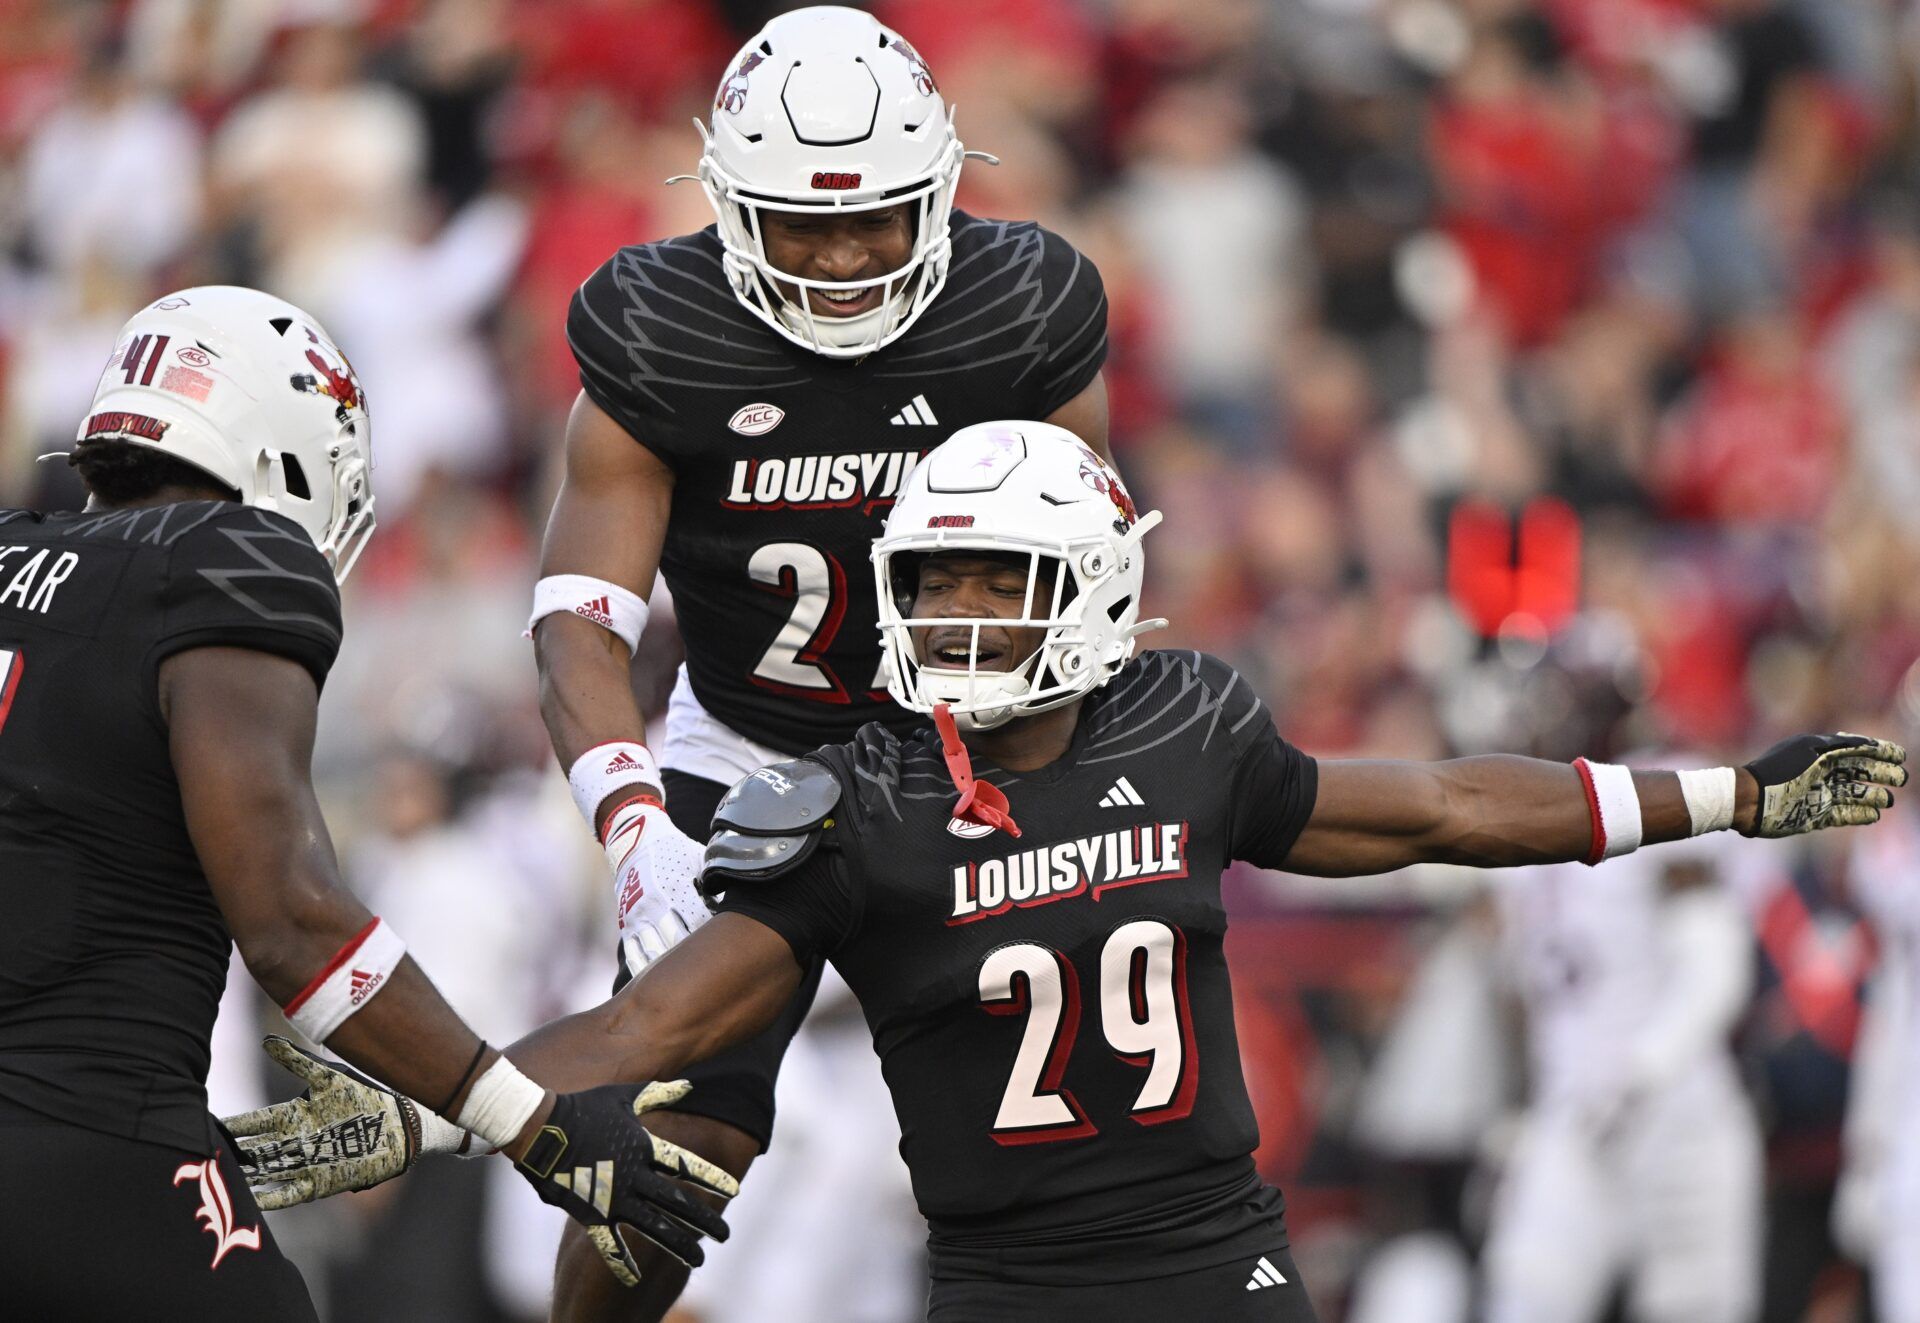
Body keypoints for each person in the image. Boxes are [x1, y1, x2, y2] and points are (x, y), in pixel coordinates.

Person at [230, 423, 1906, 1321]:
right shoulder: (856, 801)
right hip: (1009, 1291)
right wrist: (417, 1110)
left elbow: (1450, 804)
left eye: (996, 584)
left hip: (1217, 1266)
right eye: (937, 583)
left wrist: (1731, 793)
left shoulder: (1186, 729)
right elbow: (659, 1016)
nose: (954, 618)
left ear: (1093, 586)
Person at [0, 286, 734, 1319]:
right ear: (287, 447)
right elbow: (293, 924)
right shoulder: (224, 563)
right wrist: (533, 1122)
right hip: (91, 1148)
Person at [530, 4, 1109, 1312]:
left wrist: (1064, 778)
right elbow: (577, 618)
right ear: (731, 205)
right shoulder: (657, 328)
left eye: (875, 218)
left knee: (1071, 1134)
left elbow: (1092, 564)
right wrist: (634, 827)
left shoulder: (1019, 305)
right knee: (671, 1142)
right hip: (749, 752)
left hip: (965, 756)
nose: (844, 256)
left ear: (942, 196)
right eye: (804, 221)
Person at [1483, 835, 1764, 1323]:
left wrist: (1642, 1074)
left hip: (1679, 1116)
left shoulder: (1651, 803)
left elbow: (1716, 969)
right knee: (1529, 1290)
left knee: (1692, 1306)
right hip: (1573, 1114)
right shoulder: (1506, 826)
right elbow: (1524, 997)